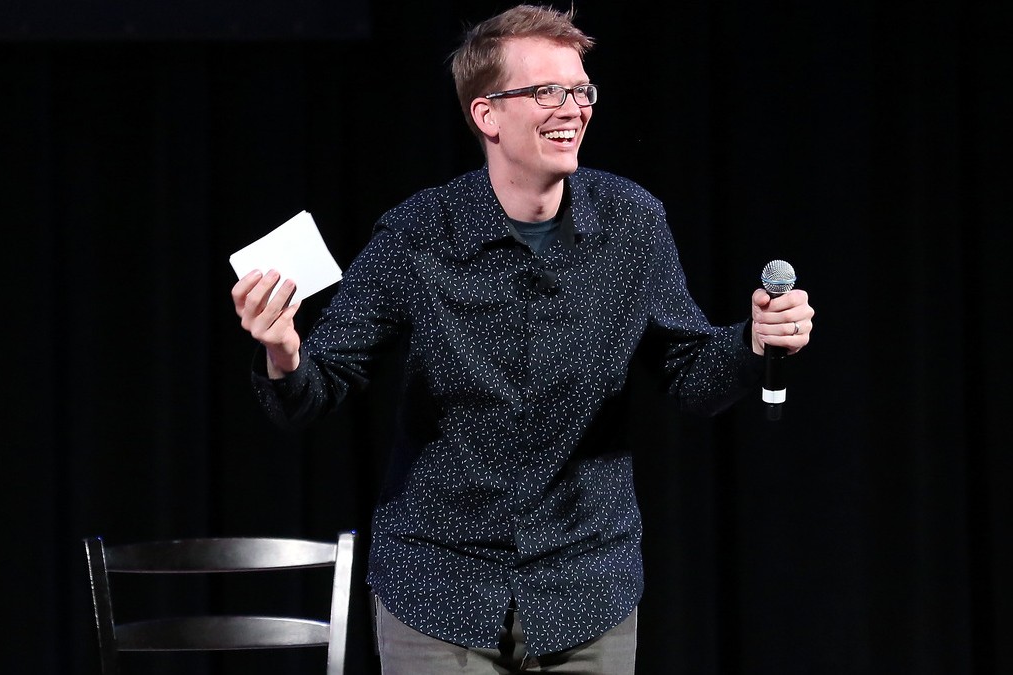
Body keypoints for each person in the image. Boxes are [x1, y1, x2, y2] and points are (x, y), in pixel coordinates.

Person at [231, 4, 814, 673]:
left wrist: (753, 341)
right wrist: (283, 351)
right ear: (487, 115)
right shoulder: (419, 235)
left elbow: (690, 375)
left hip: (585, 581)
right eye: (547, 92)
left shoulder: (632, 224)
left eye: (581, 90)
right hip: (440, 584)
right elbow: (314, 389)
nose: (573, 108)